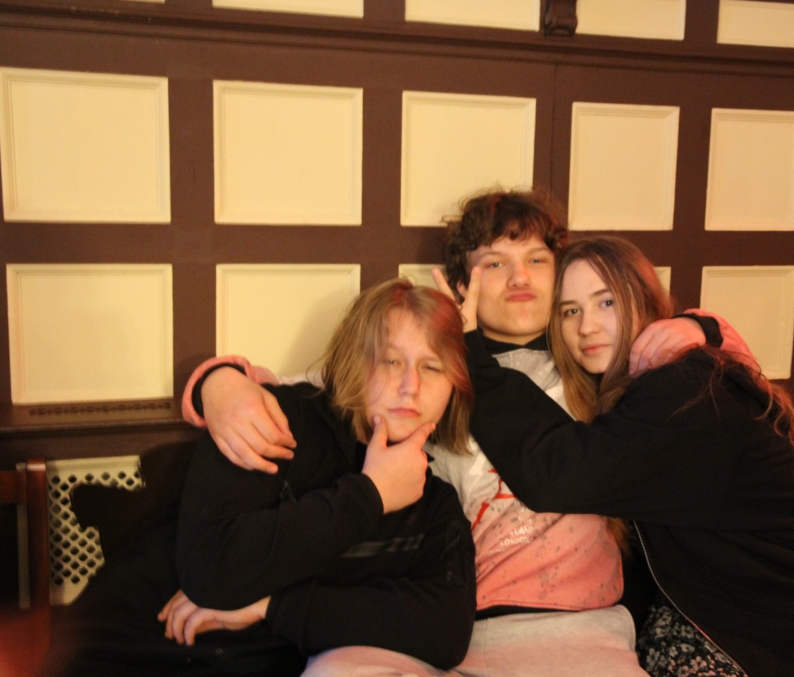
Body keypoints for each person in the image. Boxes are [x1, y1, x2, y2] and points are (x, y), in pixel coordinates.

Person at [181, 189, 754, 675]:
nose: (519, 277)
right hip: (434, 619)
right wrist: (218, 382)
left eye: (536, 259)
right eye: (494, 264)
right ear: (461, 282)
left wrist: (699, 327)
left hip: (575, 627)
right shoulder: (430, 364)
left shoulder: (593, 362)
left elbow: (733, 383)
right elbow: (322, 387)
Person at [454, 235, 794, 677]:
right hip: (733, 617)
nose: (587, 326)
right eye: (570, 310)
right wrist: (704, 325)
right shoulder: (637, 389)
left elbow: (562, 473)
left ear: (645, 304)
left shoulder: (686, 387)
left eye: (607, 302)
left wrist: (472, 358)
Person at [46, 279, 476, 677]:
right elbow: (212, 570)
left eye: (432, 367)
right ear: (354, 362)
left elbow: (446, 630)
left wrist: (274, 606)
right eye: (390, 361)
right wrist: (371, 494)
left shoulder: (434, 504)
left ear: (453, 388)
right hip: (129, 653)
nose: (410, 386)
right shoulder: (276, 420)